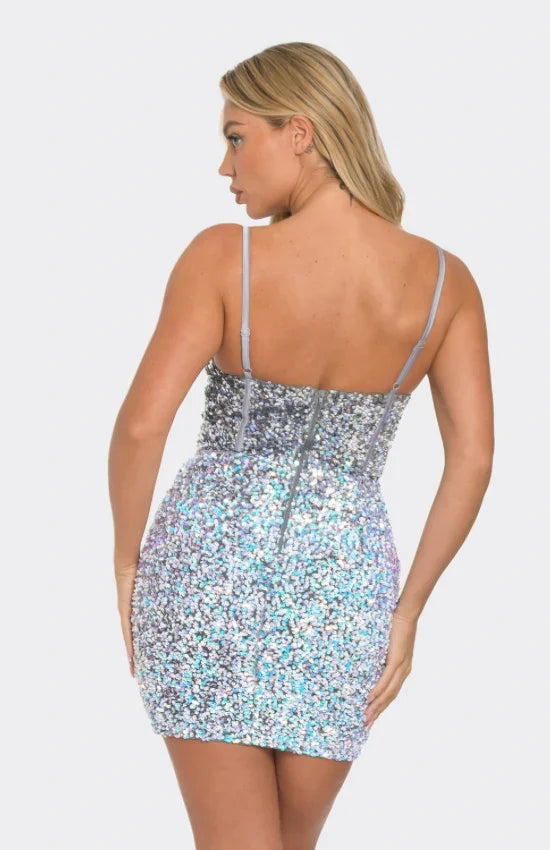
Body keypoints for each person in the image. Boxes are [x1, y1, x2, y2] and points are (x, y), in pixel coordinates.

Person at [108, 41, 493, 850]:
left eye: (237, 137)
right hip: (344, 590)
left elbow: (142, 425)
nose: (225, 166)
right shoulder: (444, 282)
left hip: (206, 572)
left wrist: (126, 560)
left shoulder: (226, 257)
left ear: (302, 133)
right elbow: (475, 458)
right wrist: (409, 609)